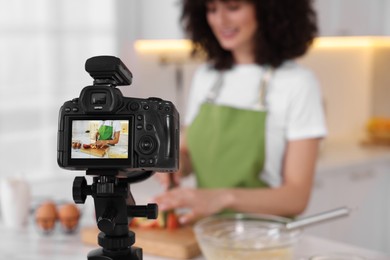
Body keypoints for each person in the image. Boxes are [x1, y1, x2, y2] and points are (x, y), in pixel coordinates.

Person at [154, 0, 327, 225]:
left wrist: (223, 198)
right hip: (207, 234)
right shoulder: (206, 76)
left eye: (233, 7)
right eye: (212, 9)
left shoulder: (298, 83)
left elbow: (296, 197)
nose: (220, 20)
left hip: (264, 238)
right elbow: (188, 154)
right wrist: (172, 164)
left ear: (268, 10)